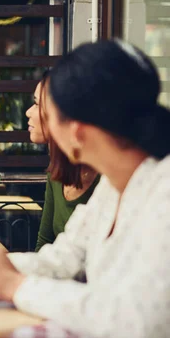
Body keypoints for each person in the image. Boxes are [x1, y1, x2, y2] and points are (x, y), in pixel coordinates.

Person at [0, 40, 170, 338]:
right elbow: (62, 259)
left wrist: (12, 285)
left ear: (77, 132)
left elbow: (135, 321)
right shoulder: (115, 187)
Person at [26, 71, 99, 251]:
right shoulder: (57, 171)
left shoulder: (109, 181)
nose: (28, 112)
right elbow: (44, 244)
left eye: (36, 104)